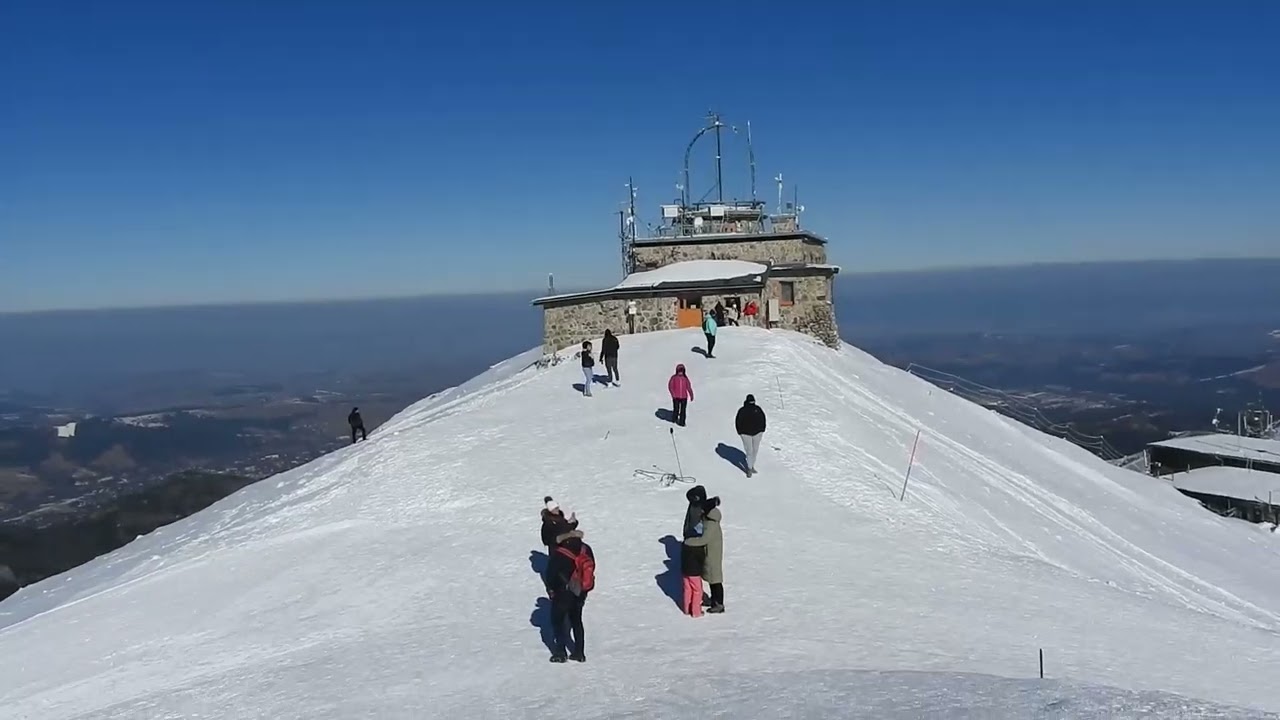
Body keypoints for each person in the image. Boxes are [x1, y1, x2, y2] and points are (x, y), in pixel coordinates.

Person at [546, 534, 594, 662]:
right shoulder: (585, 549)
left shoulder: (560, 553)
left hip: (563, 592)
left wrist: (551, 589)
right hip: (580, 592)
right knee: (577, 621)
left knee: (558, 621)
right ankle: (579, 652)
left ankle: (560, 653)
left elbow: (550, 575)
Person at [684, 496, 724, 613]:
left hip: (712, 556)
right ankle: (714, 600)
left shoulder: (711, 524)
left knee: (715, 580)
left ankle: (719, 604)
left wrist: (689, 542)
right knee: (713, 580)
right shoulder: (710, 521)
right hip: (711, 554)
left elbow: (703, 540)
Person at [734, 394, 767, 476]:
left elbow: (763, 419)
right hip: (745, 434)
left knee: (755, 450)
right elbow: (738, 421)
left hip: (757, 433)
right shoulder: (742, 410)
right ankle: (749, 468)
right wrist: (740, 432)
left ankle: (751, 466)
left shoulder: (757, 409)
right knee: (749, 451)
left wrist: (762, 430)